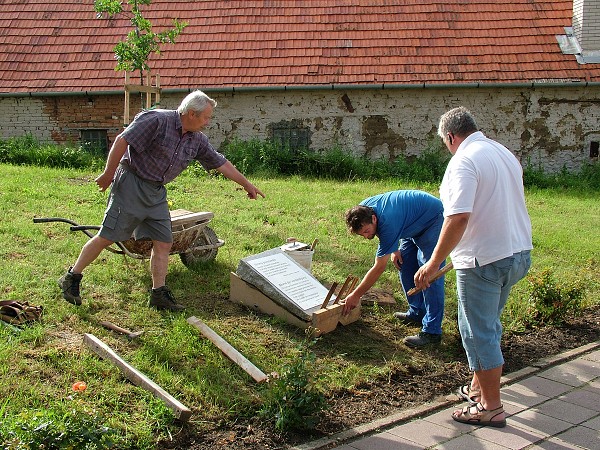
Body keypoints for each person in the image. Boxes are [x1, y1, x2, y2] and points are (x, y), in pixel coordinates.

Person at [58, 90, 265, 311]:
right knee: (108, 236)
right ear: (192, 114)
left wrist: (246, 184)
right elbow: (122, 140)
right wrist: (108, 174)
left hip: (156, 192)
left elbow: (220, 162)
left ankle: (158, 294)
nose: (208, 122)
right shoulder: (157, 120)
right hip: (131, 184)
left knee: (164, 241)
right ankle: (72, 277)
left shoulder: (197, 139)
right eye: (206, 117)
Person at [414, 107, 532, 428]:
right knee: (489, 324)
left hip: (484, 261)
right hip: (516, 252)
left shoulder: (462, 161)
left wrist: (433, 262)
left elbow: (459, 217)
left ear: (450, 137)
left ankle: (491, 407)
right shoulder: (502, 153)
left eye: (444, 142)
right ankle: (480, 387)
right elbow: (493, 206)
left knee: (477, 333)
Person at [342, 190, 446, 347]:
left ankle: (432, 332)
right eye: (361, 234)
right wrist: (394, 247)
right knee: (404, 262)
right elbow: (381, 229)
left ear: (374, 219)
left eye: (366, 232)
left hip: (433, 219)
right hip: (410, 222)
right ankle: (417, 312)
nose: (366, 237)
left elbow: (379, 267)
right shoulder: (363, 210)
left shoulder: (388, 222)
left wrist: (356, 295)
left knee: (429, 275)